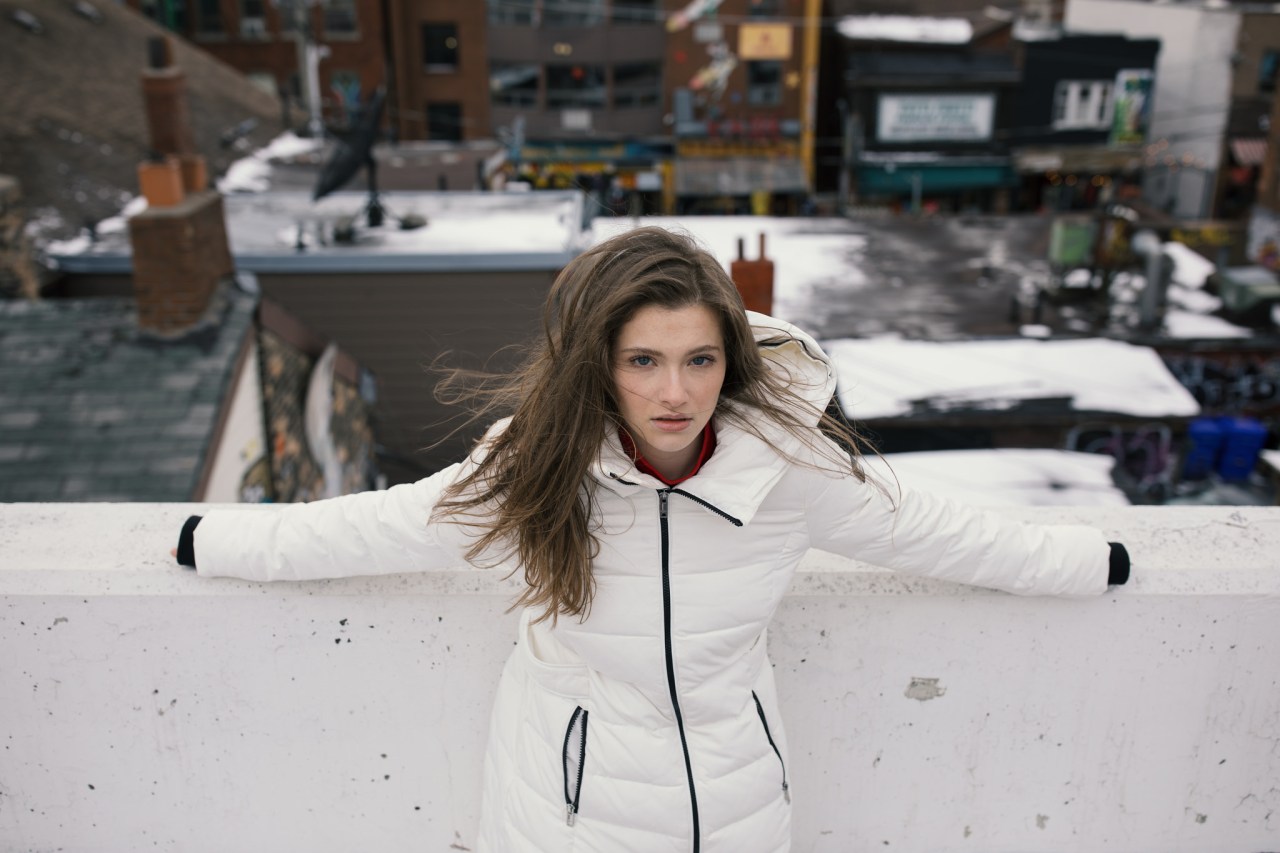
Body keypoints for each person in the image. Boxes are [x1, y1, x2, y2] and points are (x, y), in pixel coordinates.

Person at [175, 226, 1130, 852]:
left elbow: (939, 533)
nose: (675, 392)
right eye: (643, 360)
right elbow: (372, 525)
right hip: (569, 817)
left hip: (741, 806)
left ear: (731, 359)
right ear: (599, 362)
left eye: (699, 359)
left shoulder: (787, 467)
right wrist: (206, 541)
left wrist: (1091, 562)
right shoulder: (532, 472)